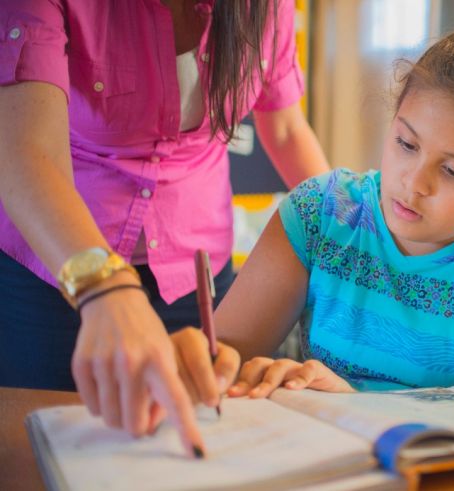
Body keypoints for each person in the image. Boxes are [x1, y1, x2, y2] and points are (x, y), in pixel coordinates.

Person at [171, 24, 454, 411]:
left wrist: (353, 405)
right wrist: (219, 367)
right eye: (406, 144)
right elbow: (223, 361)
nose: (415, 183)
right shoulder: (319, 215)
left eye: (452, 171)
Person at [0, 0, 329, 457]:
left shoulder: (268, 7)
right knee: (49, 447)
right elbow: (25, 154)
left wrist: (351, 238)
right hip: (57, 266)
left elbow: (288, 129)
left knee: (188, 445)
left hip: (196, 273)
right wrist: (105, 288)